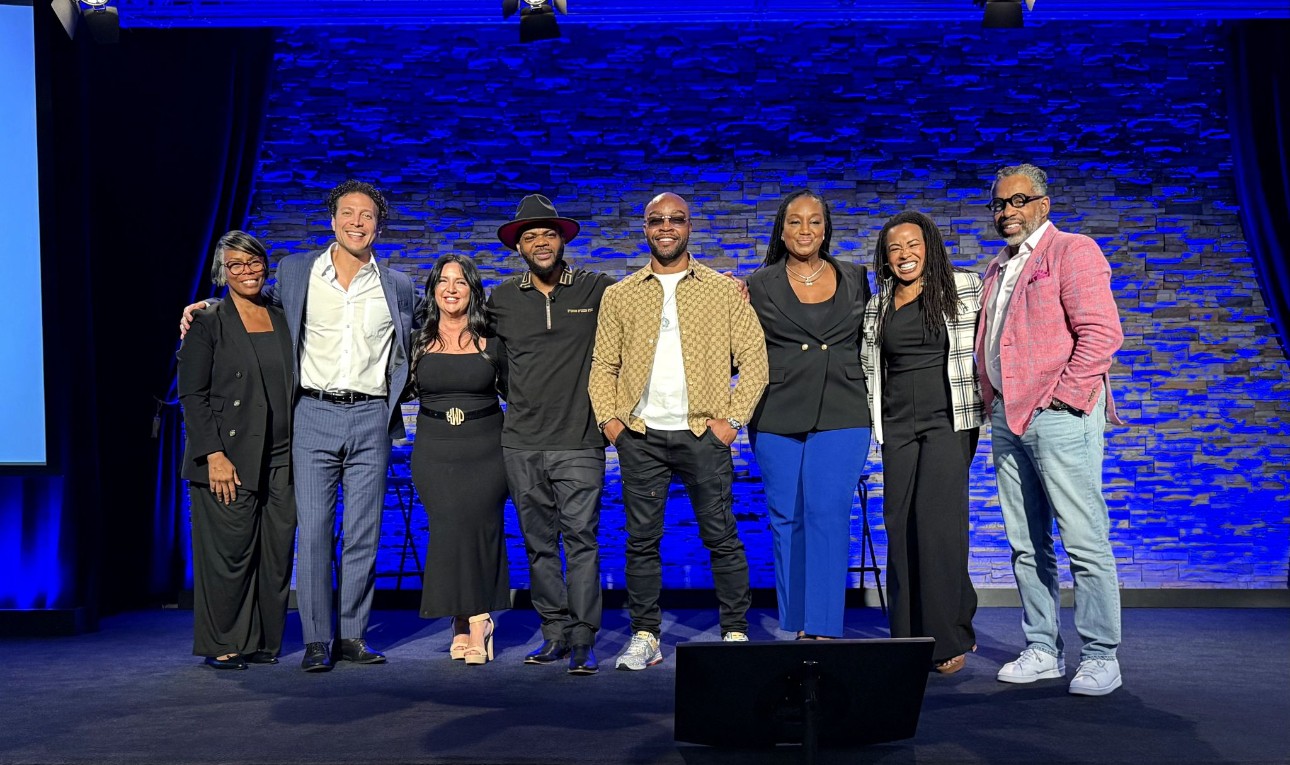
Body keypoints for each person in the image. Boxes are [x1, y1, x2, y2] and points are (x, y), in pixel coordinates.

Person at [181, 180, 417, 671]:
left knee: (364, 533)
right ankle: (315, 640)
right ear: (332, 221)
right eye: (348, 213)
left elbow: (410, 346)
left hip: (371, 415)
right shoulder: (296, 272)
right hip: (311, 414)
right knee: (312, 532)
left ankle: (351, 635)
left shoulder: (396, 286)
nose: (357, 222)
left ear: (378, 224)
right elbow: (251, 300)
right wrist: (207, 307)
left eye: (367, 215)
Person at [588, 192, 769, 671]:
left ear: (690, 226)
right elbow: (603, 365)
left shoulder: (723, 290)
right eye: (656, 220)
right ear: (644, 228)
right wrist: (612, 424)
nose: (666, 227)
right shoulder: (619, 294)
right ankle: (644, 635)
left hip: (702, 435)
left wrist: (730, 423)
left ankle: (735, 631)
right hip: (640, 437)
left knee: (722, 536)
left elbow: (754, 360)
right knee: (641, 541)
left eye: (676, 219)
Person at [976, 163, 1125, 696]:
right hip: (1007, 417)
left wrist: (1063, 396)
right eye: (999, 204)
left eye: (1017, 201)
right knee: (1025, 543)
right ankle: (1043, 647)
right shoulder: (997, 267)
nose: (1006, 211)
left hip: (1058, 415)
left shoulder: (1072, 250)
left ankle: (1102, 654)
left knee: (1083, 539)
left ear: (1043, 203)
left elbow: (1102, 333)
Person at [488, 195, 615, 675]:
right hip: (521, 443)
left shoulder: (595, 288)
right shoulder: (501, 299)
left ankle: (584, 639)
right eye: (529, 236)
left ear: (562, 240)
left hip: (580, 440)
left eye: (548, 234)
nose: (540, 242)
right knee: (538, 544)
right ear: (518, 247)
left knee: (581, 539)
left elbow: (648, 309)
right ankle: (553, 634)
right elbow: (493, 364)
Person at [861, 211, 983, 674]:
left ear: (929, 246)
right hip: (896, 426)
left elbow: (994, 339)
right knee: (899, 524)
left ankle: (948, 634)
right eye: (894, 248)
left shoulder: (965, 288)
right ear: (885, 258)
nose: (904, 255)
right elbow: (870, 365)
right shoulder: (879, 304)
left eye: (913, 245)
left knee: (936, 525)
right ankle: (908, 633)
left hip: (948, 421)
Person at [746, 190, 872, 640]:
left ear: (826, 229)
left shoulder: (857, 277)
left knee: (828, 513)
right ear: (782, 230)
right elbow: (740, 349)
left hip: (844, 409)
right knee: (786, 516)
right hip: (777, 411)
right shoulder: (758, 284)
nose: (805, 230)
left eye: (814, 221)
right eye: (795, 222)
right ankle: (796, 623)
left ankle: (822, 625)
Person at [177, 231, 297, 670]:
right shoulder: (209, 321)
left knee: (275, 553)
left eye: (254, 262)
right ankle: (223, 642)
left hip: (282, 458)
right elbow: (192, 395)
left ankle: (262, 640)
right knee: (229, 554)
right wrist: (213, 455)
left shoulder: (284, 315)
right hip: (227, 459)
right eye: (236, 265)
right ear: (222, 272)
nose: (247, 272)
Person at [411, 254, 511, 666]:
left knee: (481, 529)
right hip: (434, 450)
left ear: (473, 291)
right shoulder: (416, 342)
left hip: (486, 448)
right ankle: (460, 618)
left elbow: (518, 394)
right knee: (448, 531)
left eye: (461, 282)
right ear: (434, 289)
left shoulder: (493, 344)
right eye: (444, 281)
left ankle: (479, 620)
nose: (451, 288)